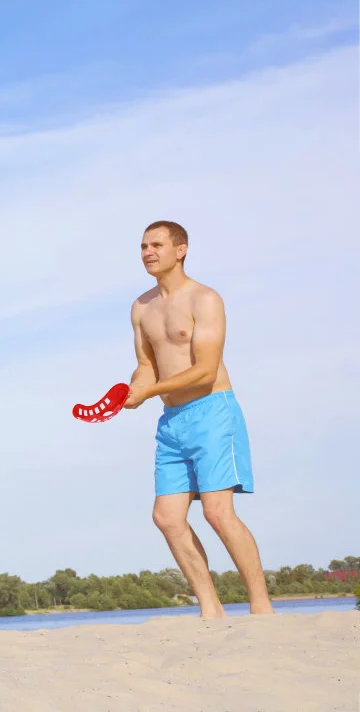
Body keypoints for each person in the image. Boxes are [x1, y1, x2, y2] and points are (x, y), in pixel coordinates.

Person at [124, 220, 273, 617]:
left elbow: (206, 370)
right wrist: (132, 390)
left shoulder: (204, 299)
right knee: (166, 517)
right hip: (171, 420)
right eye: (142, 246)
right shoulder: (141, 307)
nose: (147, 252)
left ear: (181, 249)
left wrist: (149, 391)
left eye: (156, 244)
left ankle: (261, 608)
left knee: (217, 512)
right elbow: (146, 365)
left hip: (212, 412)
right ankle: (211, 610)